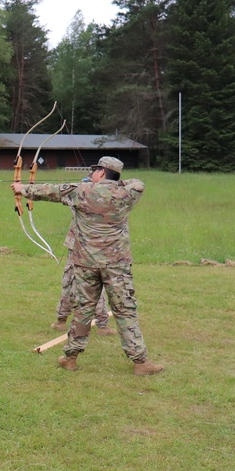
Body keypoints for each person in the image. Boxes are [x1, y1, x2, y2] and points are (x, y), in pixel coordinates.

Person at [13, 156, 163, 375]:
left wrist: (21, 188)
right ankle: (140, 362)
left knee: (83, 310)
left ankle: (70, 358)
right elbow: (137, 182)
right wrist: (114, 182)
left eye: (96, 171)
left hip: (86, 264)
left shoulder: (81, 191)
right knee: (125, 310)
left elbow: (50, 190)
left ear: (102, 172)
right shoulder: (128, 194)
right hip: (116, 266)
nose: (92, 174)